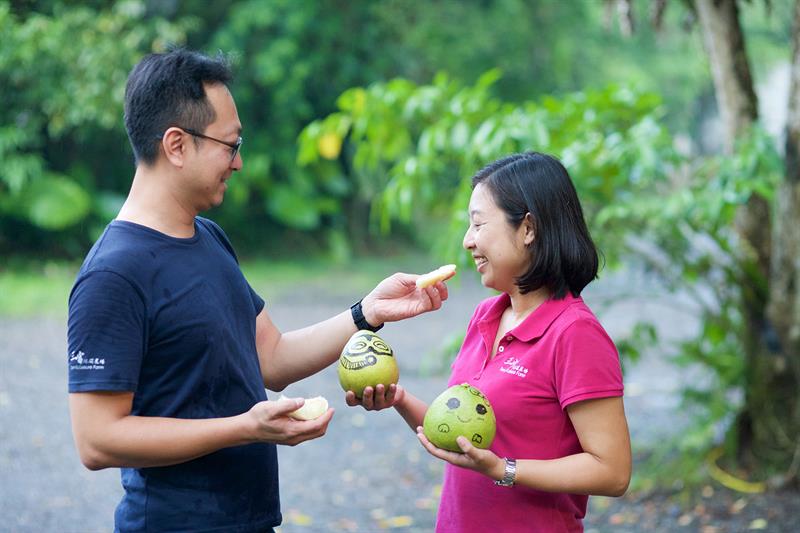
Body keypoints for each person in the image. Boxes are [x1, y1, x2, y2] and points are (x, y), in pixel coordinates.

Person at [66, 48, 451, 533]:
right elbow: (97, 441)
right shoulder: (113, 275)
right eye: (230, 145)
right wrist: (246, 428)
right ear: (176, 145)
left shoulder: (208, 239)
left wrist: (367, 312)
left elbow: (270, 357)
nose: (240, 161)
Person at [348, 152, 631, 532]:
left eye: (478, 224)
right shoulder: (486, 315)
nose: (468, 241)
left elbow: (612, 471)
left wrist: (504, 470)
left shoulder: (575, 333)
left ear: (528, 228)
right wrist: (398, 399)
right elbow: (462, 434)